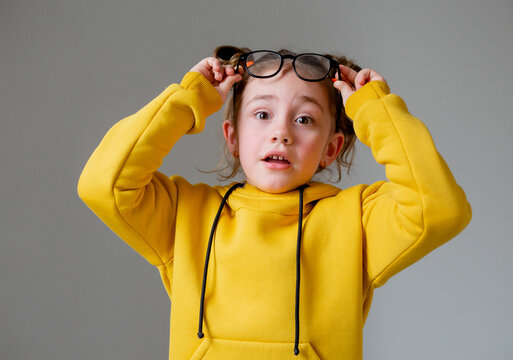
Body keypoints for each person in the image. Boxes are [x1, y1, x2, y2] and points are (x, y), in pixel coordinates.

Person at [78, 46, 471, 359]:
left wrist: (373, 110)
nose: (280, 133)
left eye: (304, 120)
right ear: (232, 137)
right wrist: (188, 100)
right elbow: (104, 185)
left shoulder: (358, 222)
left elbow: (438, 207)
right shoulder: (185, 214)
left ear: (331, 148)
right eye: (262, 113)